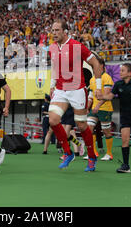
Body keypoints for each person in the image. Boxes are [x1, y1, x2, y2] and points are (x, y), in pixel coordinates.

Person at [48, 19, 104, 172]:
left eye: (57, 30)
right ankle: (68, 153)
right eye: (52, 30)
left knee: (81, 125)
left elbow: (96, 64)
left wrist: (98, 87)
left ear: (65, 31)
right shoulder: (53, 48)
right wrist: (52, 85)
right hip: (60, 89)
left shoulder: (77, 46)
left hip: (77, 89)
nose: (54, 33)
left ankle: (92, 156)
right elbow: (55, 67)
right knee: (53, 120)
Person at [87, 55, 115, 161]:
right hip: (94, 109)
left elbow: (107, 95)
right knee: (89, 130)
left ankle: (109, 153)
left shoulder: (106, 77)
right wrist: (87, 108)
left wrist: (98, 105)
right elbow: (91, 96)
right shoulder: (92, 79)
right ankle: (94, 153)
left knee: (106, 131)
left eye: (95, 64)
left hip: (105, 108)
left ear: (102, 66)